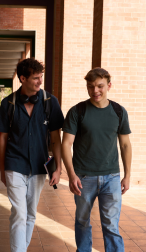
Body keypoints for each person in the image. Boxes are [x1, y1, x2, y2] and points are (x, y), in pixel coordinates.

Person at [0, 58, 64, 252]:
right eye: (35, 78)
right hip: (14, 164)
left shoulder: (50, 102)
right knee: (19, 213)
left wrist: (58, 167)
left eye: (40, 77)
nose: (40, 82)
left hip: (39, 166)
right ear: (22, 78)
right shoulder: (8, 103)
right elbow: (3, 139)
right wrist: (2, 169)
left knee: (31, 214)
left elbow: (56, 139)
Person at [62, 67, 132, 252]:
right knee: (82, 221)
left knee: (111, 225)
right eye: (91, 86)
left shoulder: (119, 112)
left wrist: (127, 175)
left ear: (109, 85)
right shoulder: (77, 111)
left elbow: (125, 144)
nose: (95, 91)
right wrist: (71, 174)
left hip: (112, 177)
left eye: (100, 86)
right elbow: (66, 144)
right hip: (84, 178)